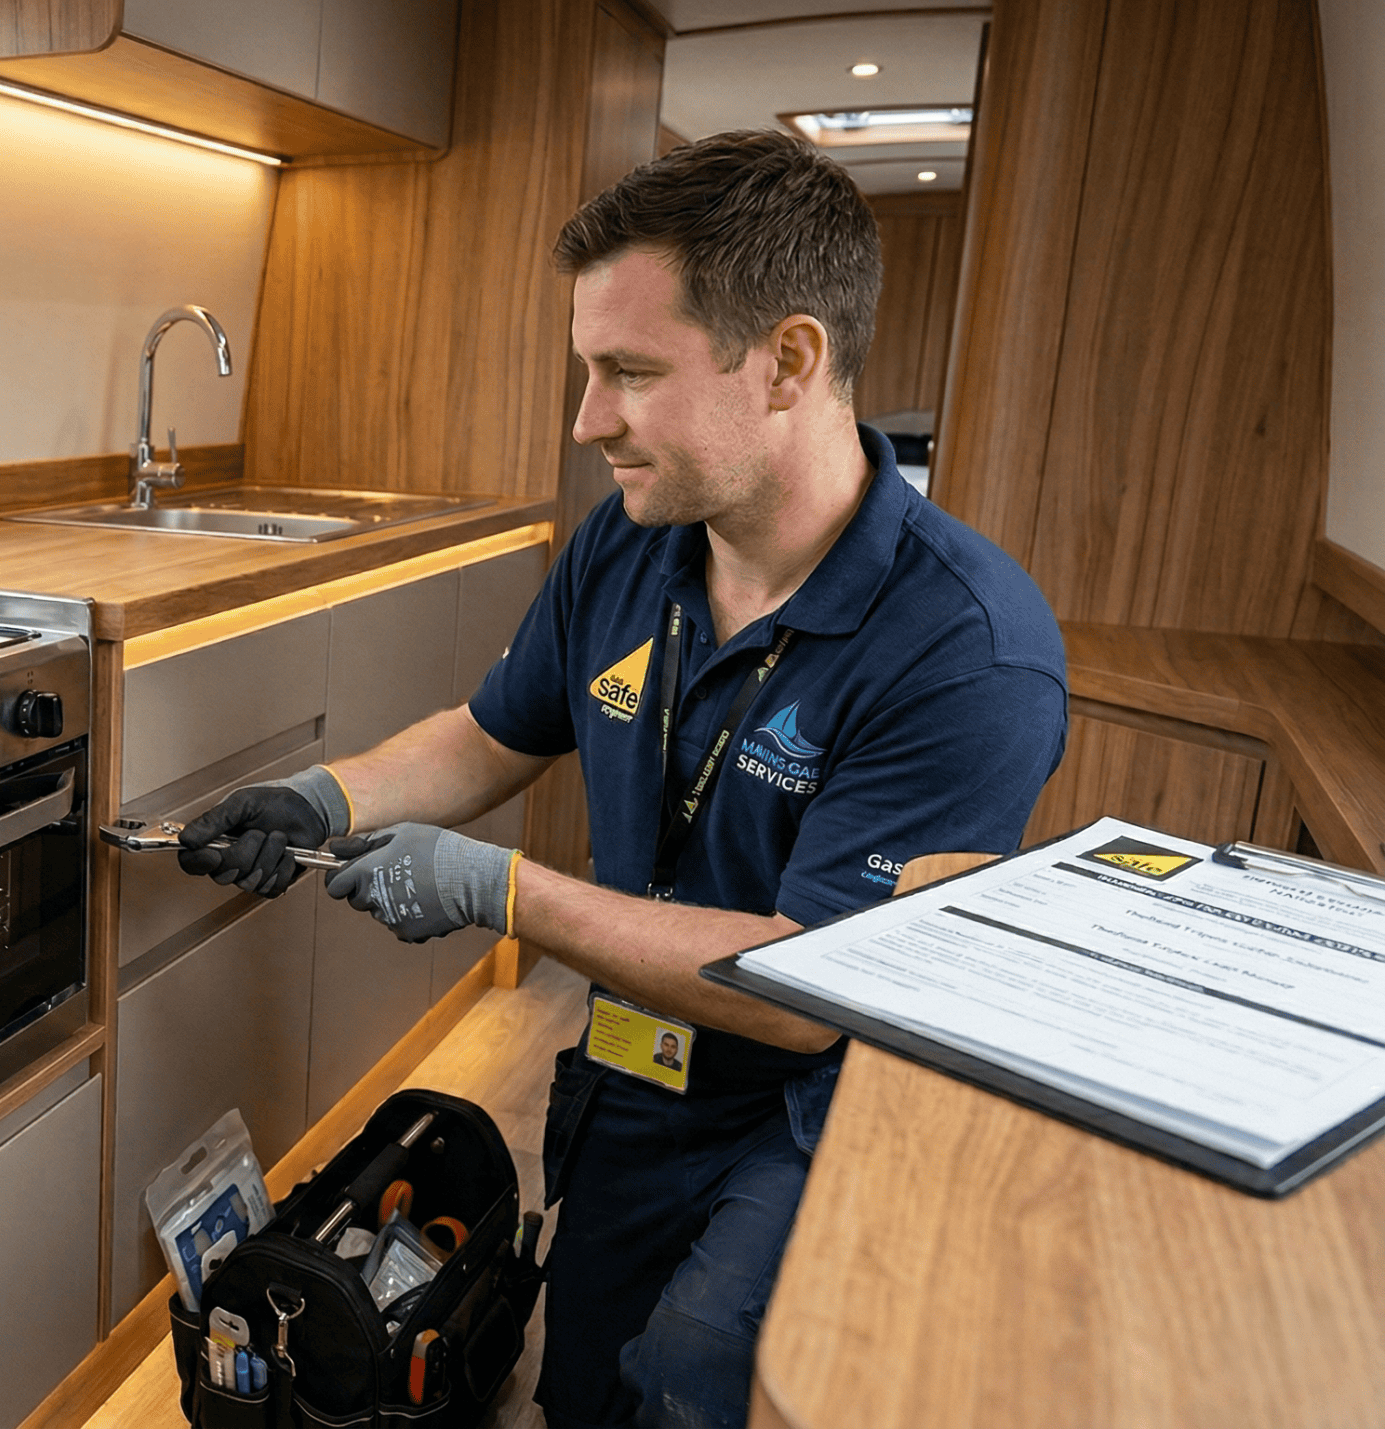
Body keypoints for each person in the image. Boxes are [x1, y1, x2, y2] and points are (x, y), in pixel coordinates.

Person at [176, 129, 1068, 1429]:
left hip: (808, 1104)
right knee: (586, 1379)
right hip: (634, 1062)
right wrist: (330, 798)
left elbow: (806, 991)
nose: (587, 420)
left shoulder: (967, 649)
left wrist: (500, 891)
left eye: (630, 374)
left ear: (791, 364)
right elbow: (491, 738)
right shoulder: (629, 545)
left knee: (692, 1381)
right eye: (589, 370)